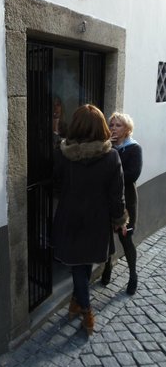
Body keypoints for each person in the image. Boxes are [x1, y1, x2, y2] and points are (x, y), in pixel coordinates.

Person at [52, 104, 128, 336]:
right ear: (101, 127)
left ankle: (77, 304)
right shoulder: (111, 156)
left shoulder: (63, 155)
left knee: (78, 264)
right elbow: (117, 195)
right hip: (97, 220)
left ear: (75, 126)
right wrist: (120, 219)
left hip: (70, 218)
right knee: (83, 264)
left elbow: (56, 186)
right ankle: (86, 312)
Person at [101, 112, 143, 295]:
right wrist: (108, 147)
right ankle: (107, 267)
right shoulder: (107, 147)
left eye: (118, 125)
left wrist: (111, 176)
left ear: (127, 129)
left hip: (127, 201)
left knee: (126, 240)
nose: (113, 128)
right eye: (111, 125)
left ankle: (133, 275)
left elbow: (132, 174)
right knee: (107, 239)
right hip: (106, 201)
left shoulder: (134, 149)